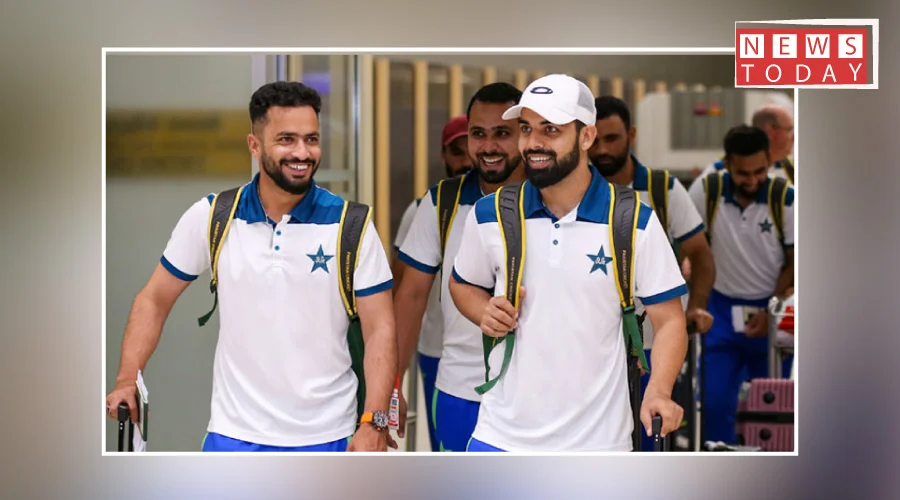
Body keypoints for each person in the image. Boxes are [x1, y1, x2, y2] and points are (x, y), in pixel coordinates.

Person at [104, 81, 397, 452]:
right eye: (286, 139)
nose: (302, 152)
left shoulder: (351, 225)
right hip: (233, 437)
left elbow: (380, 328)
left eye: (311, 139)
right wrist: (127, 378)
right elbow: (153, 299)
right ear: (255, 145)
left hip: (329, 437)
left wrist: (374, 420)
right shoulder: (215, 216)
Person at [449, 74, 688, 452]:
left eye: (551, 130)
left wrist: (658, 389)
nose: (533, 143)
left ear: (586, 136)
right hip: (499, 439)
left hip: (598, 448)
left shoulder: (633, 221)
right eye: (526, 128)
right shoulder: (489, 214)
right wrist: (483, 311)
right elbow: (462, 283)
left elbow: (670, 320)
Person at [394, 83, 525, 451]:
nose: (489, 146)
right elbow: (411, 297)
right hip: (459, 390)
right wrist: (392, 384)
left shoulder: (550, 201)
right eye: (478, 134)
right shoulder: (442, 203)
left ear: (525, 134)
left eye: (502, 134)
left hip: (535, 396)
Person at [589, 95, 715, 451]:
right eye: (596, 139)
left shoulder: (663, 189)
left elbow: (701, 256)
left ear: (631, 135)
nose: (602, 150)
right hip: (596, 349)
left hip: (656, 343)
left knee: (651, 441)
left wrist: (696, 306)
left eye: (612, 138)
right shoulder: (572, 193)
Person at [688, 125, 795, 445]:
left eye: (760, 171)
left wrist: (773, 306)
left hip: (771, 312)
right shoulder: (706, 192)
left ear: (769, 162)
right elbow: (687, 246)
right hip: (719, 311)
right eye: (742, 173)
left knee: (771, 409)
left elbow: (796, 260)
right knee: (714, 403)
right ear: (727, 165)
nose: (752, 180)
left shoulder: (786, 199)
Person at [390, 115, 472, 451]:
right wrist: (393, 380)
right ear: (444, 155)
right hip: (437, 349)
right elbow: (403, 289)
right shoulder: (427, 209)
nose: (465, 160)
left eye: (469, 149)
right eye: (457, 151)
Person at [700, 104, 795, 184]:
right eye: (789, 130)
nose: (794, 137)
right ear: (770, 131)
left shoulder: (793, 170)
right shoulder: (717, 173)